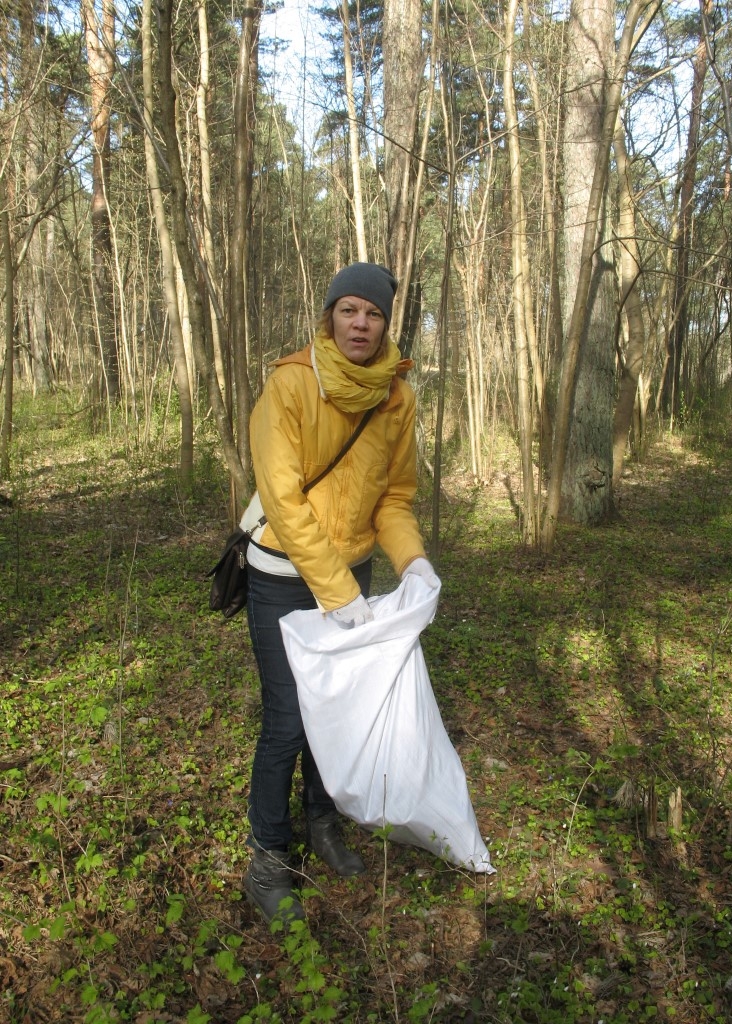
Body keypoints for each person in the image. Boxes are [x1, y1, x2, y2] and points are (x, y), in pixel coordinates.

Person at [239, 263, 440, 924]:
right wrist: (336, 594)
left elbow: (395, 497)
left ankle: (321, 821)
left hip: (353, 577)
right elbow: (283, 500)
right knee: (290, 719)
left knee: (341, 711)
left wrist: (412, 562)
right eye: (349, 310)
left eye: (373, 313)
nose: (360, 323)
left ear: (386, 325)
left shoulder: (397, 396)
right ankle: (267, 858)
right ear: (329, 316)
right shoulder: (291, 384)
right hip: (279, 577)